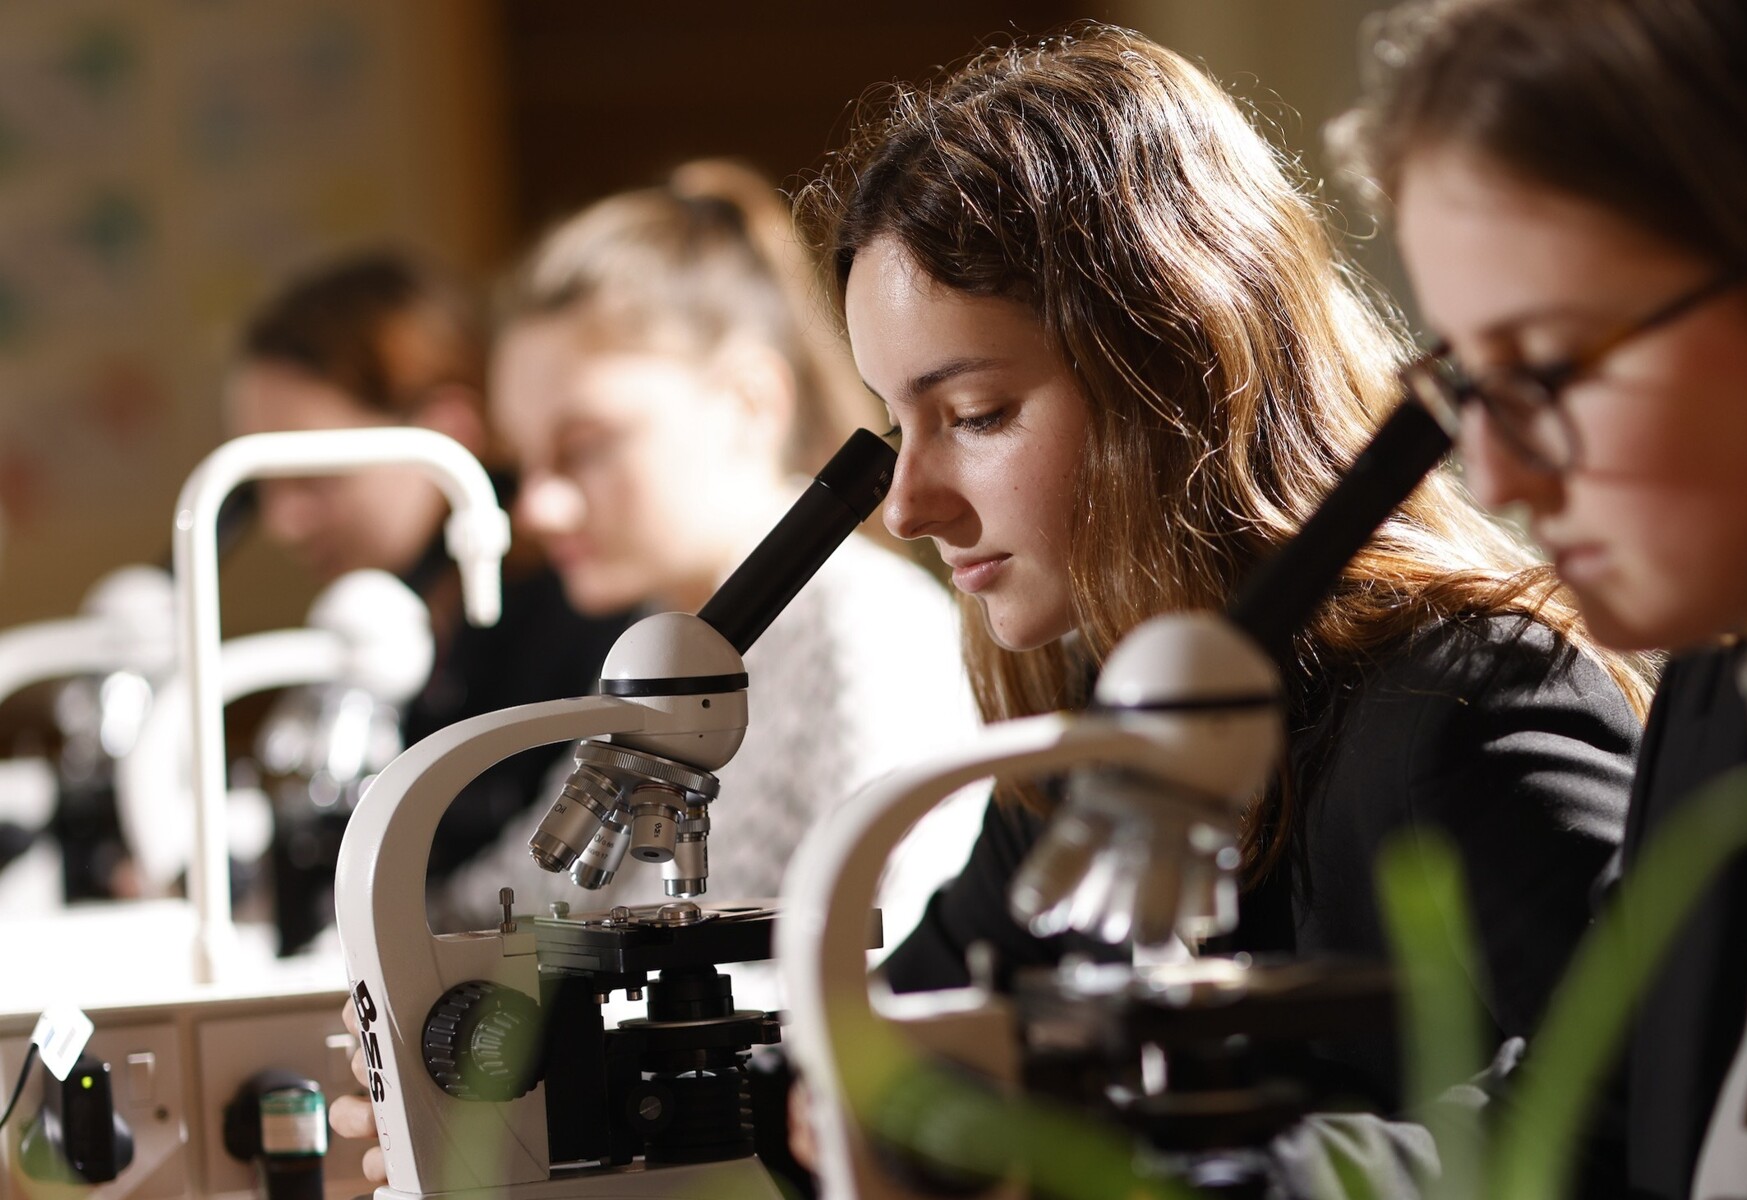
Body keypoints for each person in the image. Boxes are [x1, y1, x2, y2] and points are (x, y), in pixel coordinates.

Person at [794, 22, 1646, 1170]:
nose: (907, 506)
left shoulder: (1464, 709)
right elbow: (895, 1041)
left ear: (1173, 371)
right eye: (899, 426)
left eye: (978, 415)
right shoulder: (1108, 727)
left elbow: (1643, 1112)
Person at [1349, 0, 1747, 1193]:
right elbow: (1587, 1120)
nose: (1491, 472)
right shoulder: (1722, 692)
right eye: (1469, 382)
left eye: (1542, 366)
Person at [330, 162, 986, 1187]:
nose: (538, 509)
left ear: (744, 402)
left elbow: (887, 980)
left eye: (581, 448)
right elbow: (515, 894)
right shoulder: (662, 650)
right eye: (525, 463)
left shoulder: (871, 635)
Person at [225, 253, 633, 948]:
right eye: (264, 484)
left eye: (314, 476)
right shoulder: (382, 631)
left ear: (445, 431)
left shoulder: (581, 616)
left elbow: (549, 882)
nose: (283, 521)